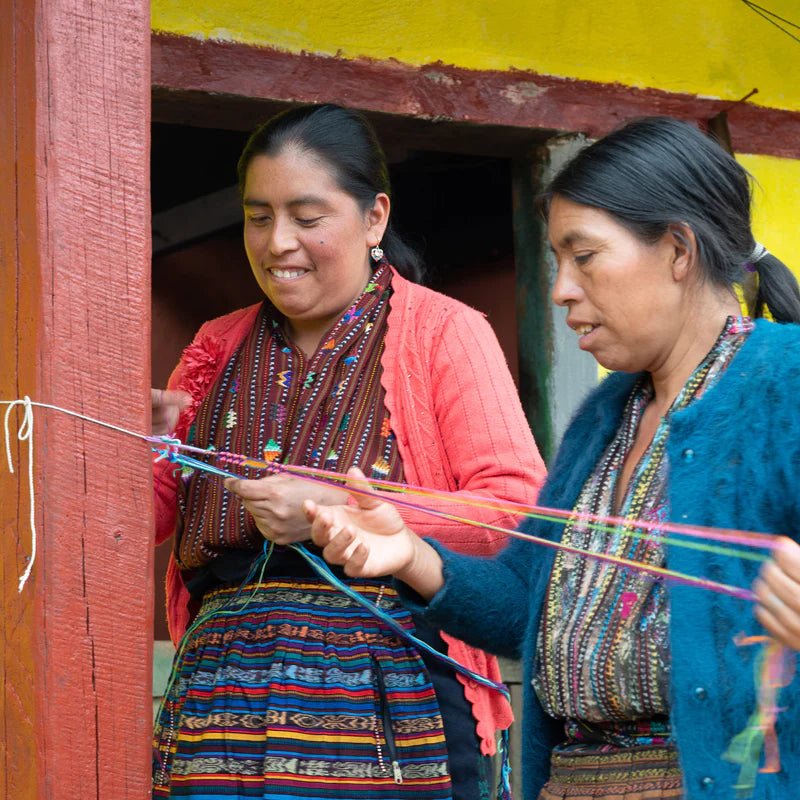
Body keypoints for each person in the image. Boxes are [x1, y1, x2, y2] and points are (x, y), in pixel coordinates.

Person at [306, 117, 800, 800]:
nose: (562, 287)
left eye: (585, 255)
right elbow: (524, 609)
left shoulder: (786, 385)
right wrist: (411, 555)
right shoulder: (606, 418)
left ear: (678, 250)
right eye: (557, 260)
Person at [150, 103, 546, 799]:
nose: (277, 243)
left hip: (387, 710)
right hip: (215, 711)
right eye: (258, 216)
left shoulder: (445, 334)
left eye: (307, 218)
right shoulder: (214, 348)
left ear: (374, 219)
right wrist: (143, 449)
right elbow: (138, 526)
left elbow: (516, 516)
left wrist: (346, 511)